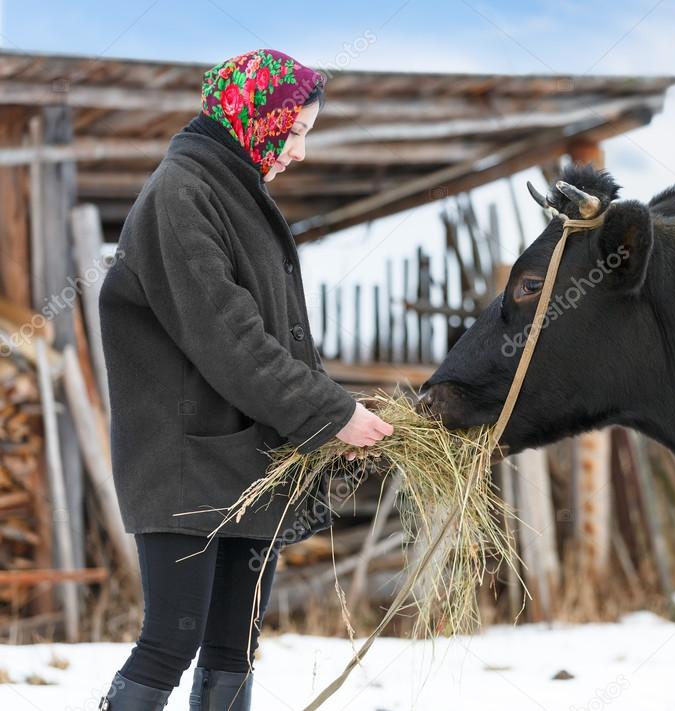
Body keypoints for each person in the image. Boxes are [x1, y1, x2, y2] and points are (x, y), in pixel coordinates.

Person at [95, 49, 393, 710]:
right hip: (184, 463)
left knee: (235, 645)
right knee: (172, 640)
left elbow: (279, 335)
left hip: (248, 461)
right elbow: (228, 334)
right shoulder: (182, 191)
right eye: (294, 132)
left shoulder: (236, 193)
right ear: (253, 117)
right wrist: (327, 410)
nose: (300, 152)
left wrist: (320, 423)